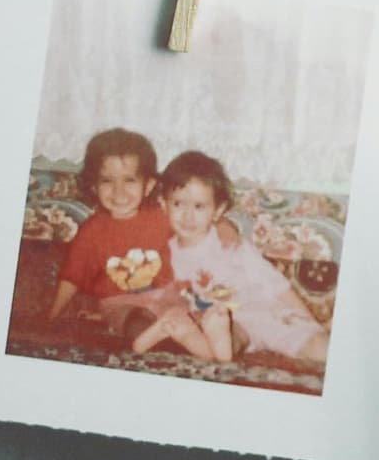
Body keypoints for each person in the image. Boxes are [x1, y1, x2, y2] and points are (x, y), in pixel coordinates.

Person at [140, 150, 330, 369]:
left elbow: (275, 284)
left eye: (199, 206)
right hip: (227, 324)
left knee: (317, 346)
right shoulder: (165, 254)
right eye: (178, 204)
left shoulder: (230, 244)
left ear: (217, 210)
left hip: (266, 314)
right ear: (164, 204)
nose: (188, 216)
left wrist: (311, 322)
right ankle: (221, 350)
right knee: (225, 332)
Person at [45, 129, 176, 338]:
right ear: (94, 187)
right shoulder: (92, 230)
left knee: (196, 316)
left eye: (129, 180)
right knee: (137, 325)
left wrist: (224, 227)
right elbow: (72, 276)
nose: (118, 191)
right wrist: (50, 317)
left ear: (148, 185)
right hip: (120, 304)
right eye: (107, 181)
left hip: (166, 300)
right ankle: (149, 335)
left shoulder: (162, 217)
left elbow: (196, 227)